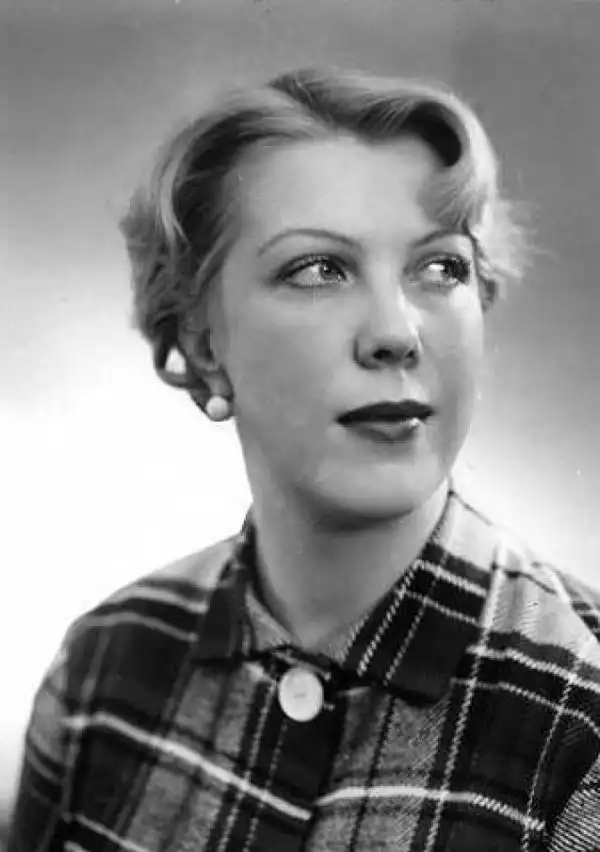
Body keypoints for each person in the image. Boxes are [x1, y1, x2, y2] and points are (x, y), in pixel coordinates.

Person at [8, 66, 600, 852]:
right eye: (318, 269)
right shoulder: (105, 665)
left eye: (440, 267)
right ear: (203, 345)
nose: (395, 332)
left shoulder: (581, 720)